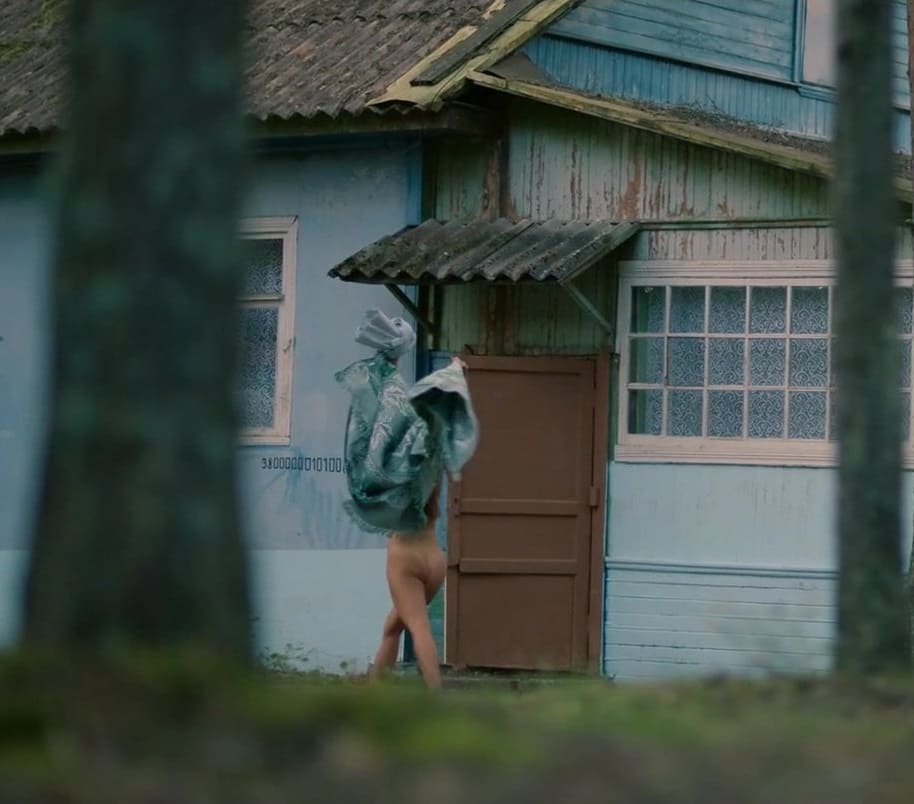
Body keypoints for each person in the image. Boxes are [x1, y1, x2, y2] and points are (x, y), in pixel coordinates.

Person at [336, 311, 477, 689]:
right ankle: (374, 692)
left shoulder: (399, 473)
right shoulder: (432, 466)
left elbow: (390, 420)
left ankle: (435, 695)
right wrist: (455, 372)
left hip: (405, 558)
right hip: (434, 557)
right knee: (392, 627)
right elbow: (431, 410)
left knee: (417, 627)